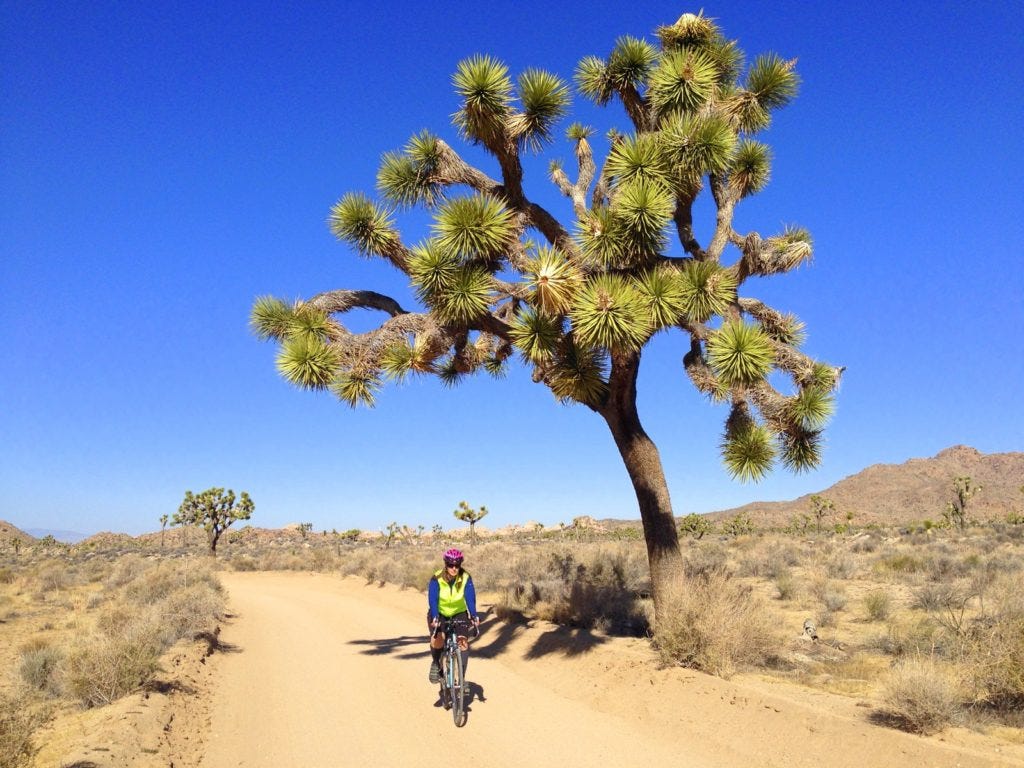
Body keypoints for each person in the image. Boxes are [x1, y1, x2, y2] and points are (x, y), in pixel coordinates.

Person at [427, 547, 480, 683]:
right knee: (438, 638)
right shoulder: (437, 578)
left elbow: (470, 598)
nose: (454, 568)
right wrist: (435, 616)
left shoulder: (465, 577)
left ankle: (461, 680)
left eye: (457, 565)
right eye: (451, 565)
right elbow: (433, 599)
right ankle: (436, 663)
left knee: (463, 642)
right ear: (446, 564)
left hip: (459, 612)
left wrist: (474, 616)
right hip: (440, 613)